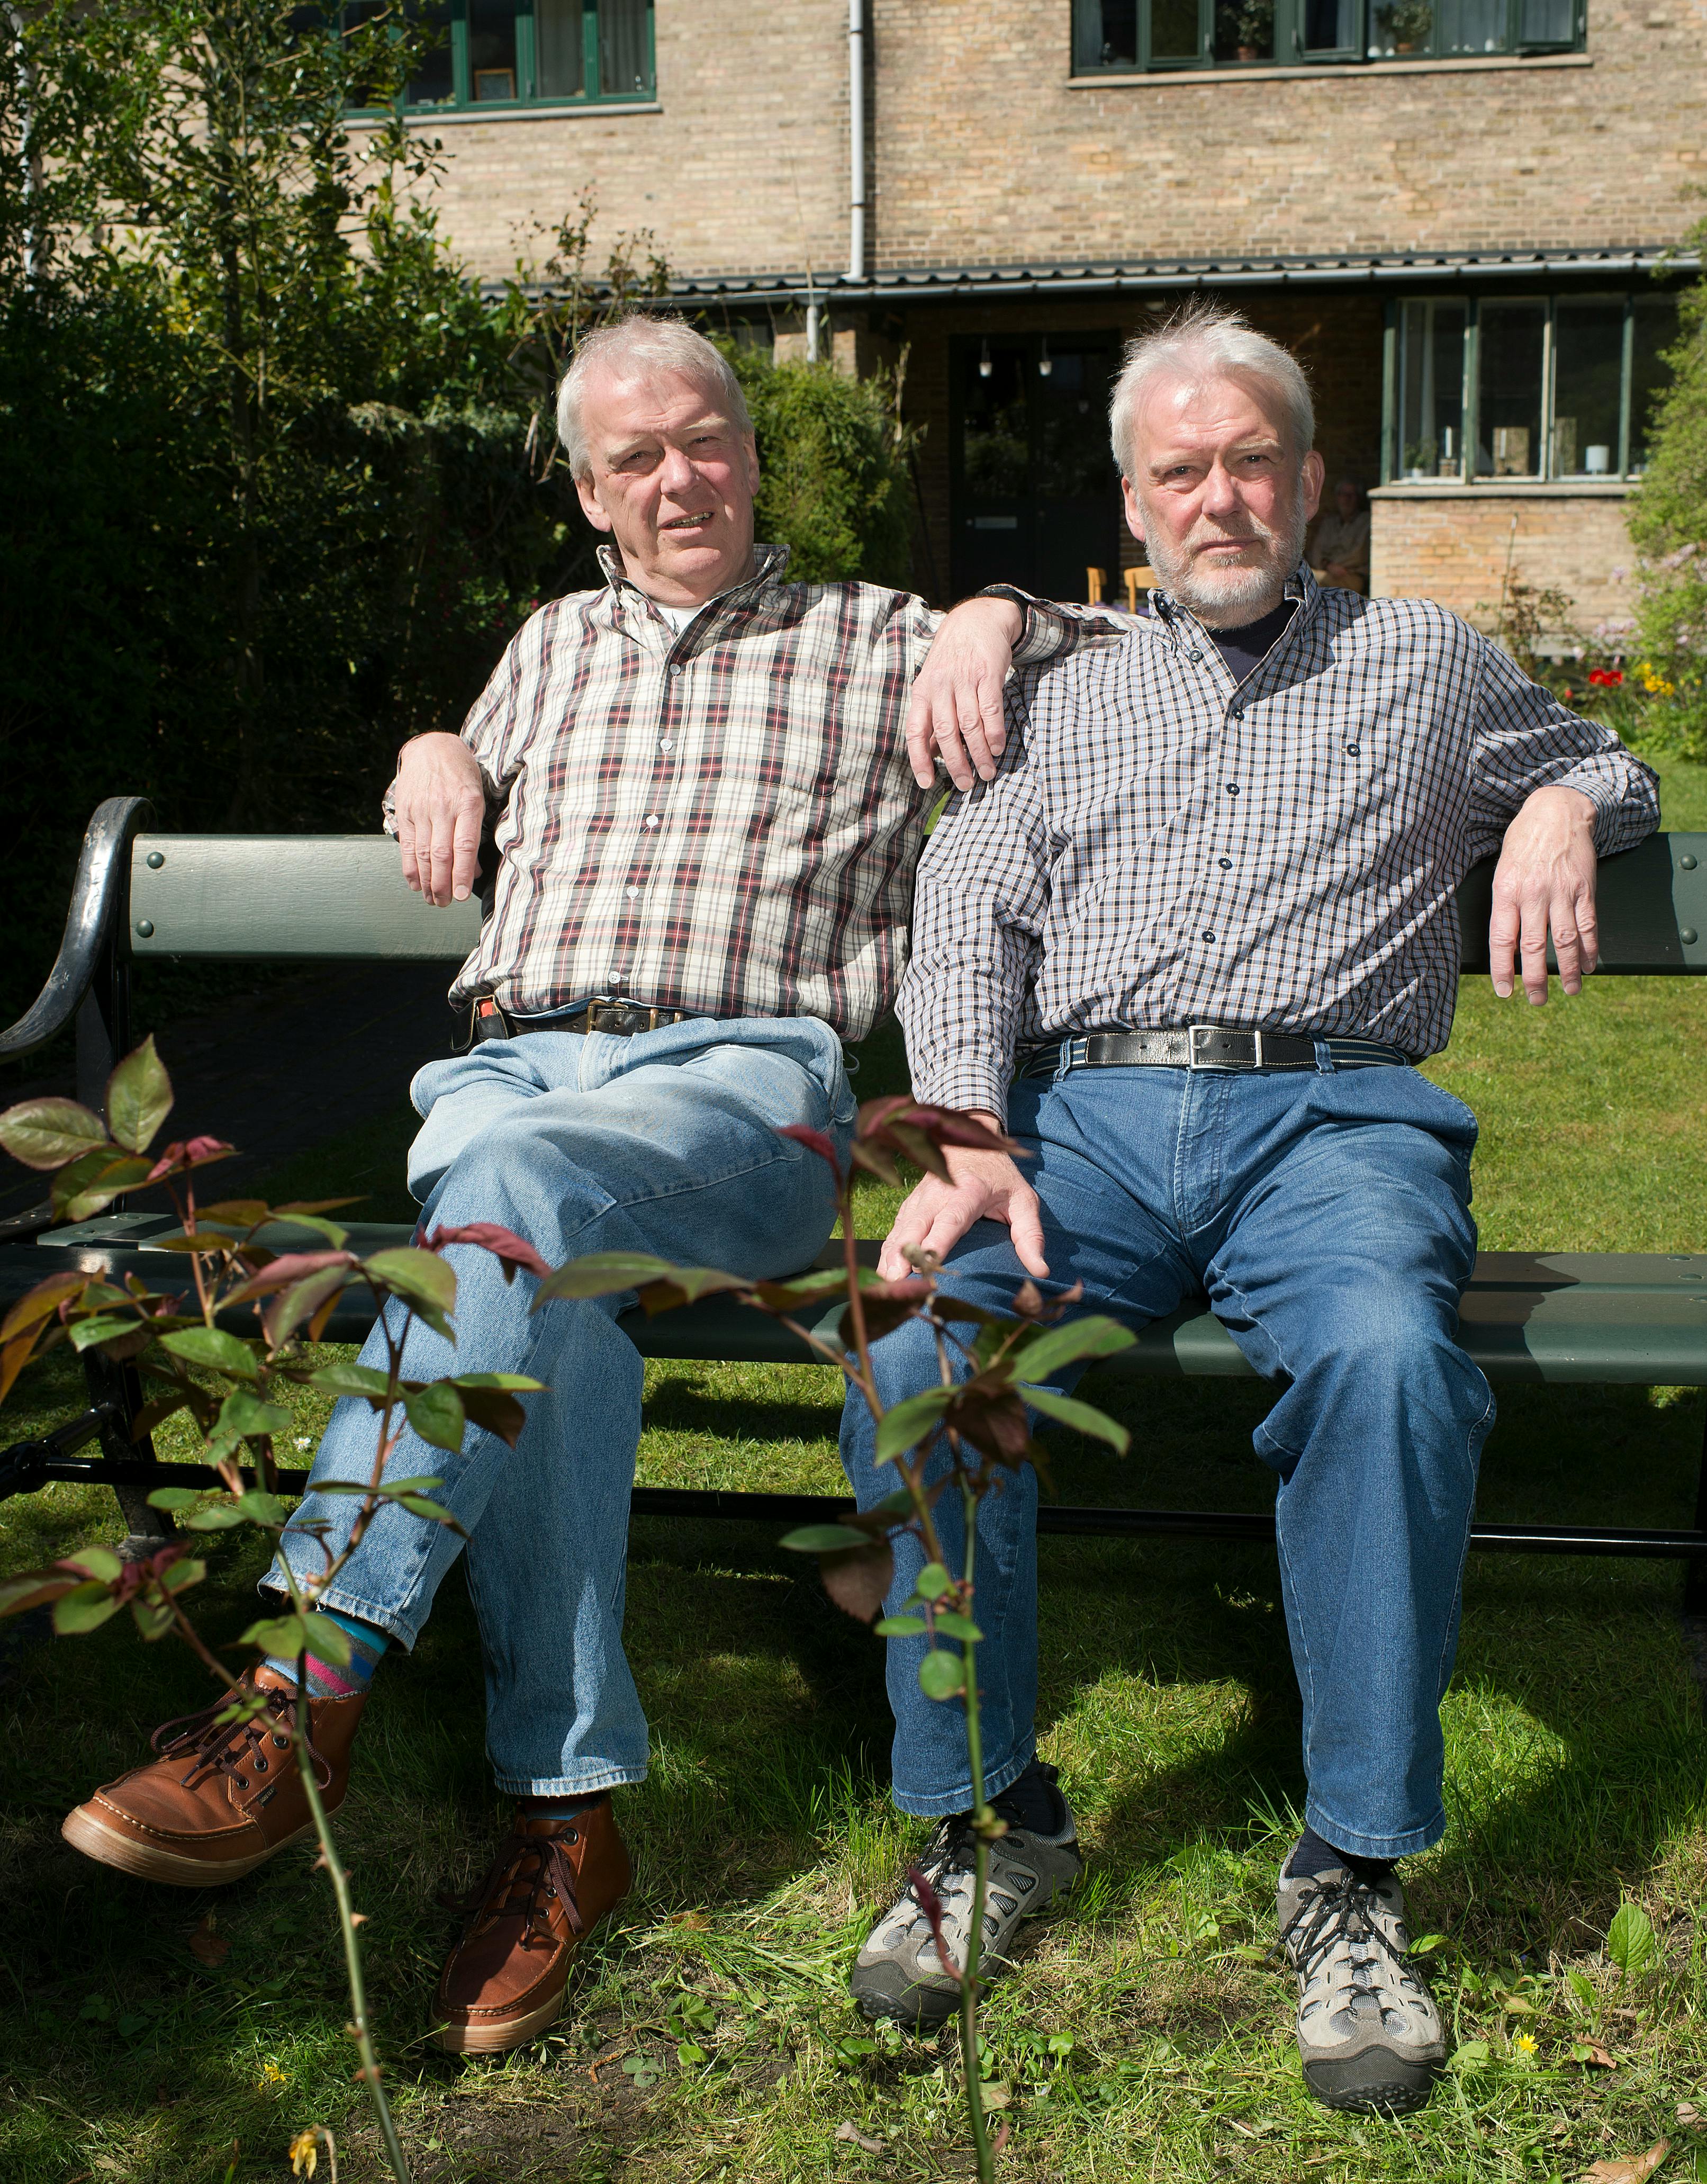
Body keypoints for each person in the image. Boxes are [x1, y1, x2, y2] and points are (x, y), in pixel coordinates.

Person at [57, 314, 1096, 2056]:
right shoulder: (548, 645)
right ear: (588, 492)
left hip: (739, 1089)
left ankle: (304, 1680)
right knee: (540, 1297)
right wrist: (434, 746)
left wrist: (997, 612)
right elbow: (463, 757)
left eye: (705, 439)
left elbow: (1132, 647)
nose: (678, 478)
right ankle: (568, 1820)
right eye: (636, 458)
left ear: (748, 450)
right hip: (507, 1069)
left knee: (508, 1199)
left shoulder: (870, 634)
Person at [838, 304, 1658, 2116]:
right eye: (1179, 470)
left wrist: (1553, 805)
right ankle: (987, 1818)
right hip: (1085, 1121)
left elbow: (1615, 762)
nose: (1219, 497)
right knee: (920, 1351)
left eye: (1251, 462)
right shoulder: (1061, 687)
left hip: (1333, 1117)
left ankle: (1351, 1867)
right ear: (1135, 504)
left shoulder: (1424, 659)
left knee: (1385, 1360)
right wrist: (964, 1126)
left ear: (1312, 481)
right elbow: (965, 906)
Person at [1311, 475, 1371, 591]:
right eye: (1343, 495)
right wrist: (1329, 566)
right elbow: (1316, 551)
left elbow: (1359, 554)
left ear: (1359, 498)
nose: (1346, 499)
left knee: (1310, 579)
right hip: (1326, 571)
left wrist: (1334, 565)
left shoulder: (1365, 522)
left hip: (1351, 575)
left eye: (1351, 495)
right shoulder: (1329, 523)